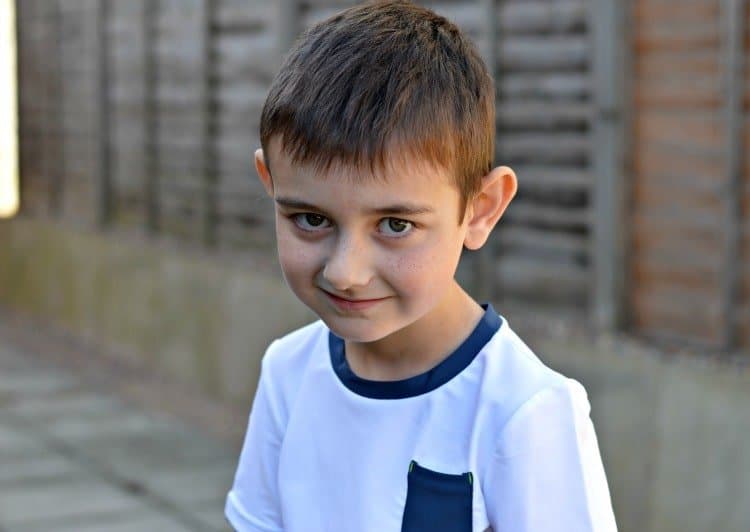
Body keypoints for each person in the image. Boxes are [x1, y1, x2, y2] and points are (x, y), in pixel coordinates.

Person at [225, 1, 616, 530]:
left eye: (395, 225)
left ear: (480, 211)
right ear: (269, 183)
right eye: (311, 218)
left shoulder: (525, 413)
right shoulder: (287, 374)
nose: (345, 272)